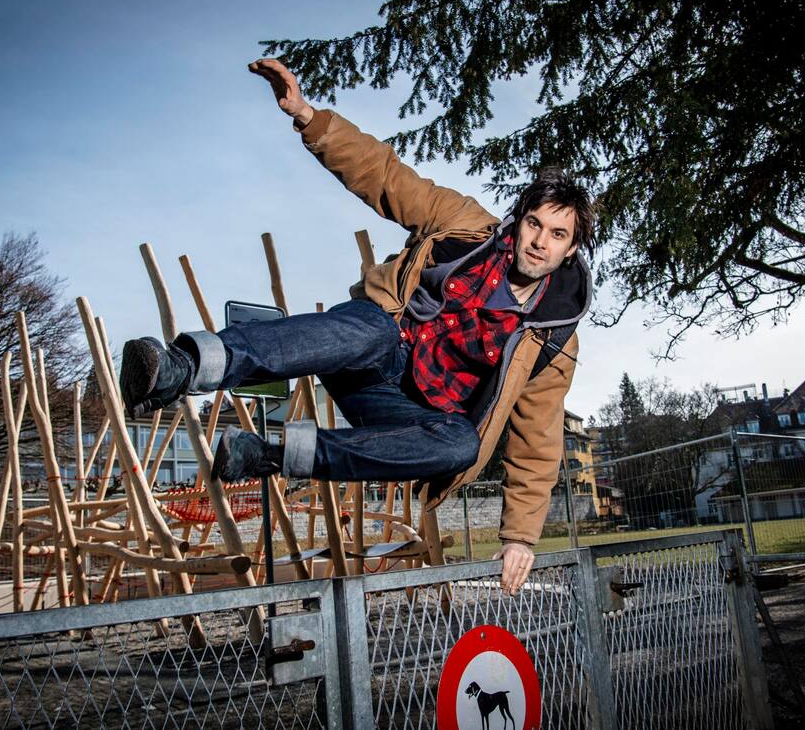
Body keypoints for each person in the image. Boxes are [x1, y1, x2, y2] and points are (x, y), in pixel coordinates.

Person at [120, 59, 595, 593]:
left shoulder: (553, 338)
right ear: (519, 221)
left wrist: (520, 537)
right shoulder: (465, 225)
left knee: (461, 445)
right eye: (534, 224)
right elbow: (388, 177)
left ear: (571, 247)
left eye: (557, 235)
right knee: (374, 331)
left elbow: (537, 440)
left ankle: (269, 456)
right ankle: (180, 367)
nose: (539, 242)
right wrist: (309, 117)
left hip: (405, 414)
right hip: (375, 346)